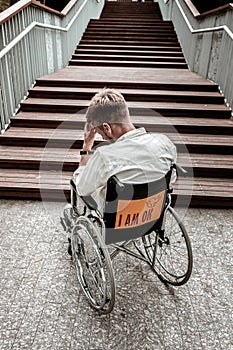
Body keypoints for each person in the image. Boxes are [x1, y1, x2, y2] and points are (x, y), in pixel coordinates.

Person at [72, 88, 177, 215]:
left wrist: (87, 146)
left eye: (100, 134)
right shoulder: (165, 143)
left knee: (90, 183)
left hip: (118, 221)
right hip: (152, 214)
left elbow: (82, 188)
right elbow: (171, 179)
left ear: (107, 127)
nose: (103, 138)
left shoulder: (104, 156)